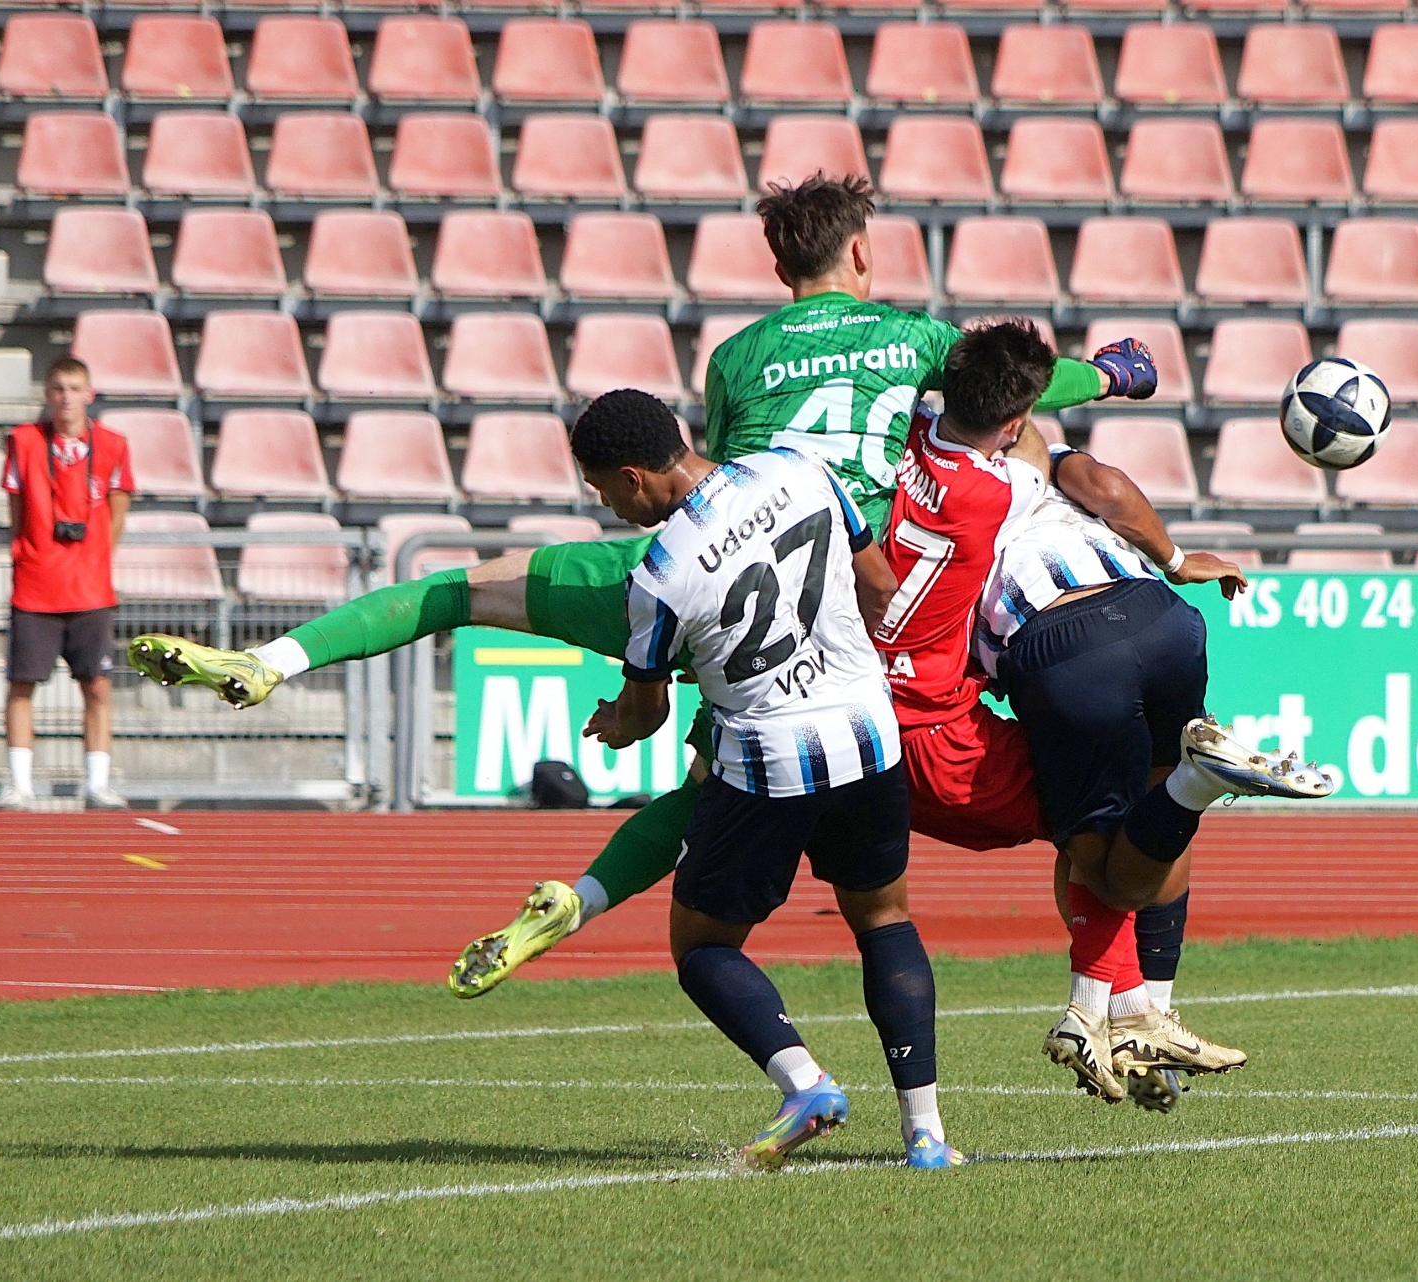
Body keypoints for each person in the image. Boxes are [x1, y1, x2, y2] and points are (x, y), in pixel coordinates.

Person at [125, 176, 1154, 995]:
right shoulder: (920, 339)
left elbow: (715, 477)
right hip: (837, 592)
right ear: (861, 255)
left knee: (461, 590)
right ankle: (582, 898)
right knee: (723, 795)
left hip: (689, 568)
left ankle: (275, 659)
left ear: (779, 265)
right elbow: (1014, 385)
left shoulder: (737, 356)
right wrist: (1112, 373)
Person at [574, 389, 960, 1169]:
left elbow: (647, 712)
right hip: (867, 734)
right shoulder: (799, 468)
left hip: (768, 763)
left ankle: (805, 1083)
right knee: (884, 919)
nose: (608, 507)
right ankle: (926, 1136)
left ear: (633, 477)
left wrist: (616, 722)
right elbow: (879, 585)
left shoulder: (658, 575)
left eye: (604, 491)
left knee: (701, 945)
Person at [971, 404, 1333, 1101]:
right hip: (1161, 618)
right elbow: (1108, 488)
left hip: (1060, 644)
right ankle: (1149, 1020)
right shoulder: (1040, 455)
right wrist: (1178, 561)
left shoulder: (932, 494)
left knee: (1099, 863)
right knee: (1154, 816)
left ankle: (1103, 1007)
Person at [0, 355, 134, 810]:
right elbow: (17, 510)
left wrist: (93, 560)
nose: (66, 398)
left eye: (75, 389)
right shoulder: (24, 442)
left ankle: (96, 784)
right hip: (35, 588)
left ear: (89, 394)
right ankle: (20, 785)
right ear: (47, 394)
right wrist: (30, 553)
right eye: (58, 389)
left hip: (90, 590)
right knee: (22, 684)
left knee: (96, 685)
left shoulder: (112, 445)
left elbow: (117, 513)